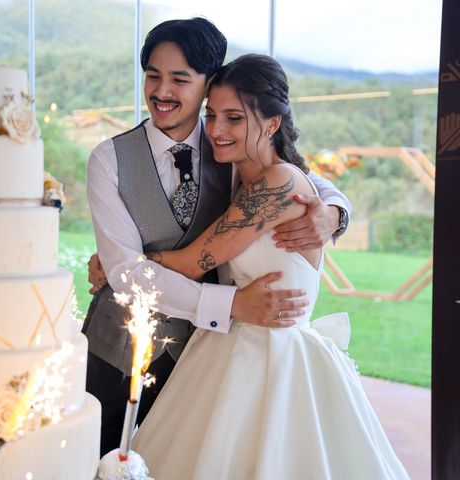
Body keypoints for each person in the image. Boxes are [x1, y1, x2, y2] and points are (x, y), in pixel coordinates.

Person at [131, 53, 409, 479]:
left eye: (234, 118)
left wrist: (123, 262)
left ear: (273, 123)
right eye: (212, 115)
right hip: (226, 346)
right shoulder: (239, 175)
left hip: (275, 360)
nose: (217, 130)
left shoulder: (279, 183)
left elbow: (192, 263)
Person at [83, 18, 352, 457]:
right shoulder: (109, 159)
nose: (162, 91)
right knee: (97, 460)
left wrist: (336, 212)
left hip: (202, 357)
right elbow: (126, 273)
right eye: (153, 75)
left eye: (180, 79)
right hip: (119, 348)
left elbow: (297, 178)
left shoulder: (231, 144)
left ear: (207, 84)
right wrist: (121, 265)